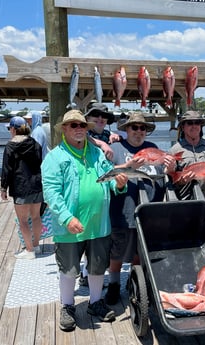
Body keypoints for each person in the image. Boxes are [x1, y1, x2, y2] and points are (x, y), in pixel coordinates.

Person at [41, 109, 128, 332]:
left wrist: (118, 184)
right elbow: (51, 193)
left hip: (100, 225)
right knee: (69, 269)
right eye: (73, 125)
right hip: (69, 227)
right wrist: (67, 218)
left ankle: (95, 302)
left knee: (98, 267)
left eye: (82, 125)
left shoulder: (98, 154)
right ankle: (68, 306)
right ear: (64, 129)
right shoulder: (54, 157)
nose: (78, 129)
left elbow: (108, 179)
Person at [104, 112, 173, 305]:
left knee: (139, 251)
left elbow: (163, 173)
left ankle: (135, 281)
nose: (139, 131)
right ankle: (114, 284)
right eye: (134, 127)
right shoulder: (115, 148)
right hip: (122, 211)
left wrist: (170, 167)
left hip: (149, 212)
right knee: (117, 252)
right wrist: (128, 165)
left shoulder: (153, 148)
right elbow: (105, 173)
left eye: (142, 128)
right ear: (126, 129)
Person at [78, 102, 120, 287]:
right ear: (87, 119)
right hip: (87, 191)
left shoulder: (109, 136)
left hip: (108, 190)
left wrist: (112, 139)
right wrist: (102, 142)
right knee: (87, 234)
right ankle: (85, 272)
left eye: (104, 117)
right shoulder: (83, 134)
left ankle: (94, 271)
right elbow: (83, 138)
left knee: (102, 236)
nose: (100, 119)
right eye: (96, 116)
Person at [0, 116, 43, 259]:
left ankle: (29, 251)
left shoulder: (10, 145)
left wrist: (3, 188)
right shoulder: (35, 143)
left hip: (20, 186)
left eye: (9, 128)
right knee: (36, 217)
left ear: (13, 129)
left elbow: (7, 169)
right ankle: (36, 246)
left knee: (23, 220)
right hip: (37, 184)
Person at [168, 110, 205, 202]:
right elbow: (170, 181)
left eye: (197, 123)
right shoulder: (174, 151)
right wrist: (181, 181)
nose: (194, 126)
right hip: (184, 202)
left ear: (201, 126)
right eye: (189, 123)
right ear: (183, 127)